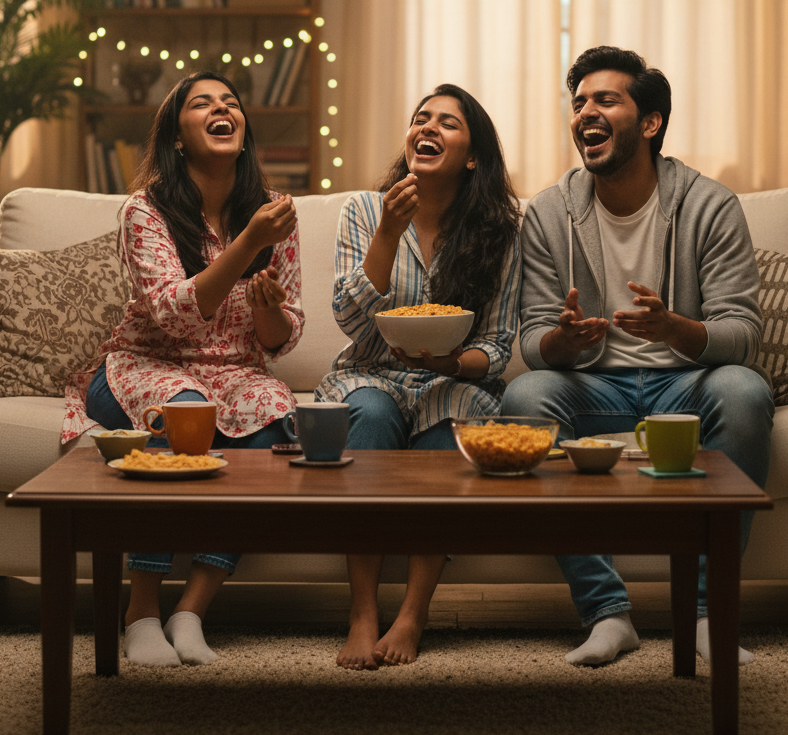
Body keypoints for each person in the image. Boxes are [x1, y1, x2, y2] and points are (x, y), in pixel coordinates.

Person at [500, 46, 772, 667]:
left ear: (649, 122)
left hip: (687, 384)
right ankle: (606, 613)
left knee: (744, 391)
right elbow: (532, 338)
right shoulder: (547, 213)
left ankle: (708, 616)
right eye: (578, 103)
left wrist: (675, 328)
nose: (585, 113)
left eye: (605, 99)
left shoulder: (709, 205)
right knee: (523, 399)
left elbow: (743, 332)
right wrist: (562, 344)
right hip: (596, 387)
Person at [62, 70, 303, 667]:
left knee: (275, 431)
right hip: (148, 364)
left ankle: (191, 609)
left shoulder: (274, 213)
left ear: (243, 132)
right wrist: (247, 245)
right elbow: (174, 317)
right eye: (203, 104)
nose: (222, 109)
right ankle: (140, 610)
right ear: (176, 136)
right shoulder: (145, 212)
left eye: (230, 103)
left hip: (237, 373)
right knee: (185, 413)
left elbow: (282, 337)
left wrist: (269, 312)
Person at [316, 83, 522, 671]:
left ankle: (413, 612)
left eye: (448, 123)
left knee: (448, 429)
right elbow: (352, 321)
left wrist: (449, 364)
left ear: (474, 154)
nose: (427, 128)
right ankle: (362, 613)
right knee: (373, 415)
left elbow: (498, 343)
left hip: (452, 382)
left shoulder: (501, 231)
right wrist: (387, 232)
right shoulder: (362, 210)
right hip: (370, 372)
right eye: (419, 119)